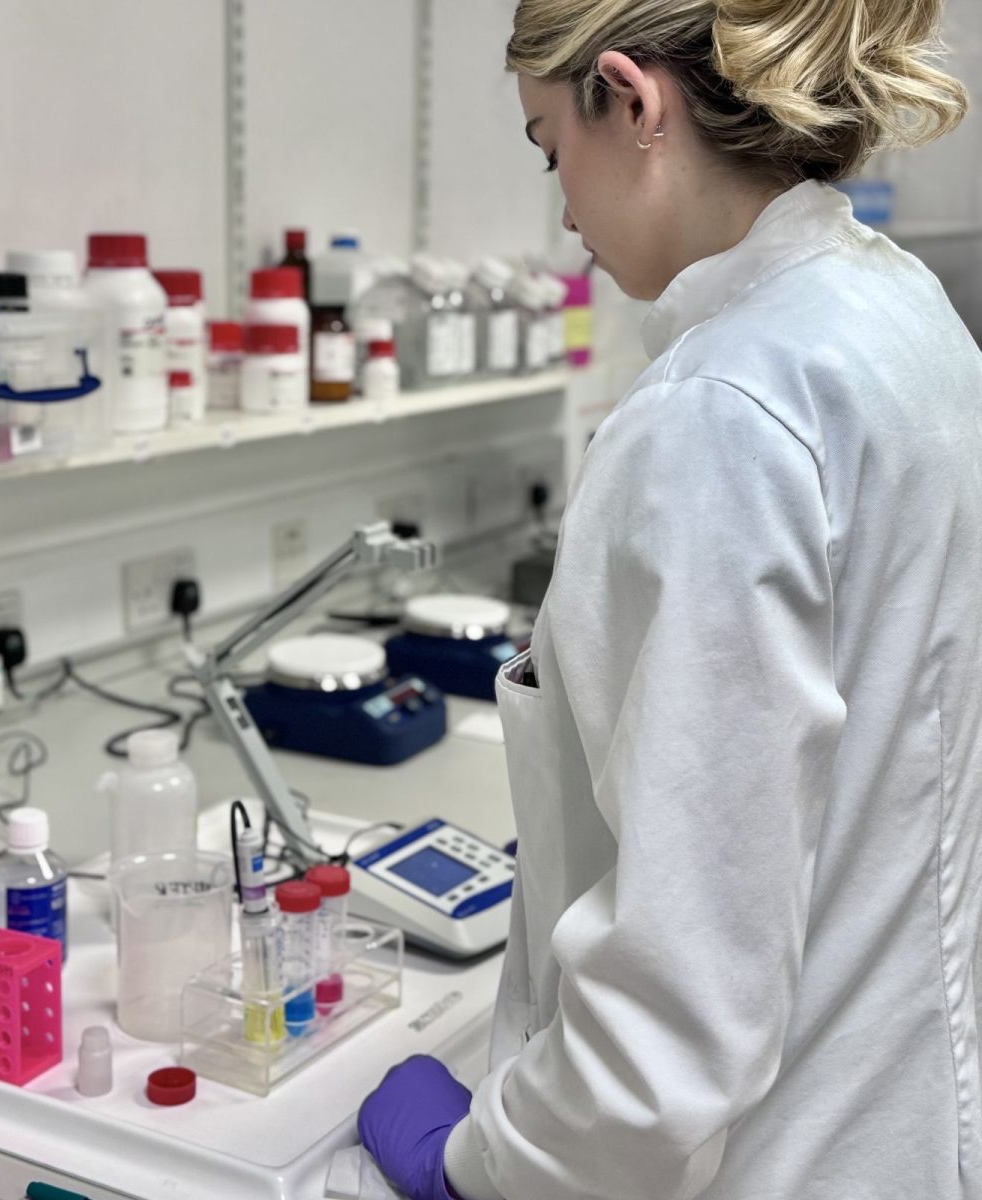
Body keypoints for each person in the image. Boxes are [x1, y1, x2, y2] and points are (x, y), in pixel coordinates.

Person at [358, 0, 982, 1197]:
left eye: (554, 149)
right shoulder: (900, 316)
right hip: (905, 1123)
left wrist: (476, 1165)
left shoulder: (720, 416)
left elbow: (676, 1014)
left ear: (634, 103)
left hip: (770, 1161)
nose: (562, 208)